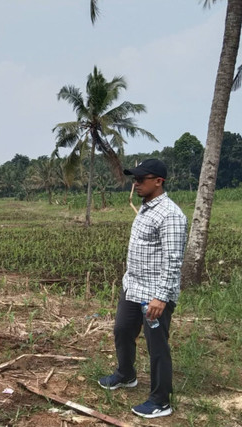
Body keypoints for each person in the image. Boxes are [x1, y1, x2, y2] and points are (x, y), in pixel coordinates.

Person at [98, 159, 187, 419]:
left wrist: (160, 296)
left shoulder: (170, 214)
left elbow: (173, 260)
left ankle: (161, 401)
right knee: (122, 330)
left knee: (156, 345)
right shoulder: (147, 208)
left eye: (141, 179)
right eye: (134, 179)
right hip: (133, 286)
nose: (135, 183)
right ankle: (126, 375)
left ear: (158, 181)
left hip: (154, 294)